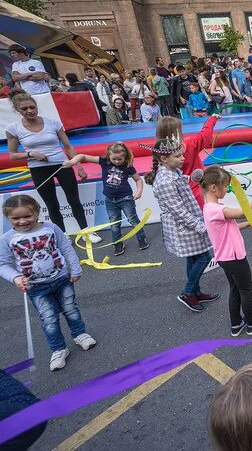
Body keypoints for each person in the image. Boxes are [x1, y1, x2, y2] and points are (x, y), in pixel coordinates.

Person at [0, 195, 97, 371]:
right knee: (48, 318)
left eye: (27, 216)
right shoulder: (7, 239)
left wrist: (75, 269)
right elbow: (3, 264)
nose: (22, 221)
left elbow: (66, 248)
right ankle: (59, 349)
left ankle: (80, 334)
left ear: (37, 212)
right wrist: (15, 277)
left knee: (70, 308)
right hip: (36, 287)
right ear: (8, 218)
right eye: (16, 218)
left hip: (61, 279)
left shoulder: (51, 228)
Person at [5, 91, 100, 242]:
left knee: (74, 199)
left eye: (32, 107)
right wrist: (30, 154)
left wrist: (79, 166)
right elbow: (12, 155)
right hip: (38, 168)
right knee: (52, 204)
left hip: (62, 164)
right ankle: (63, 236)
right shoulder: (13, 128)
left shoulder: (53, 122)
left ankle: (87, 231)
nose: (30, 111)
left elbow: (68, 146)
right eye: (24, 109)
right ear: (17, 110)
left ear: (36, 106)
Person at [193, 166, 252, 336]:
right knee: (246, 289)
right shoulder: (217, 209)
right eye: (225, 186)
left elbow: (231, 226)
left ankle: (236, 324)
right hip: (234, 257)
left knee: (236, 289)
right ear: (214, 187)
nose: (227, 189)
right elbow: (245, 211)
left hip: (225, 257)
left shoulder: (209, 208)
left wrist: (250, 223)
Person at [144, 138, 218, 313]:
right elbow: (179, 211)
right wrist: (200, 226)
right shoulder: (165, 181)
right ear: (163, 159)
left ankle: (196, 292)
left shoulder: (172, 172)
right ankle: (188, 292)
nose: (183, 159)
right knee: (204, 258)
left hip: (190, 222)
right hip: (184, 227)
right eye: (177, 156)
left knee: (193, 257)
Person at [63, 142, 149, 255]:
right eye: (114, 159)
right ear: (109, 156)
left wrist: (139, 191)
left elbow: (138, 180)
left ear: (125, 157)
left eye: (120, 159)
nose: (117, 162)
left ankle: (141, 238)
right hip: (110, 200)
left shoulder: (128, 167)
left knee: (133, 220)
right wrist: (72, 162)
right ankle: (117, 243)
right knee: (114, 223)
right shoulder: (104, 162)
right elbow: (83, 156)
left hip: (126, 199)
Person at [155, 113, 220, 207]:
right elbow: (205, 136)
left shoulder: (160, 153)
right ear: (178, 132)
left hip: (178, 195)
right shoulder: (188, 144)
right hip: (196, 191)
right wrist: (212, 119)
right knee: (204, 218)